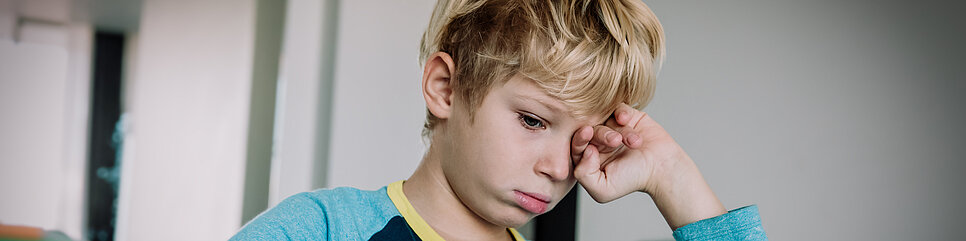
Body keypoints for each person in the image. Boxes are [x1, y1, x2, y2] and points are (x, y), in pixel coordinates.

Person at [232, 0, 766, 240]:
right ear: (445, 88)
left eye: (583, 139)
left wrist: (673, 177)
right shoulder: (325, 228)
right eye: (534, 121)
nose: (560, 168)